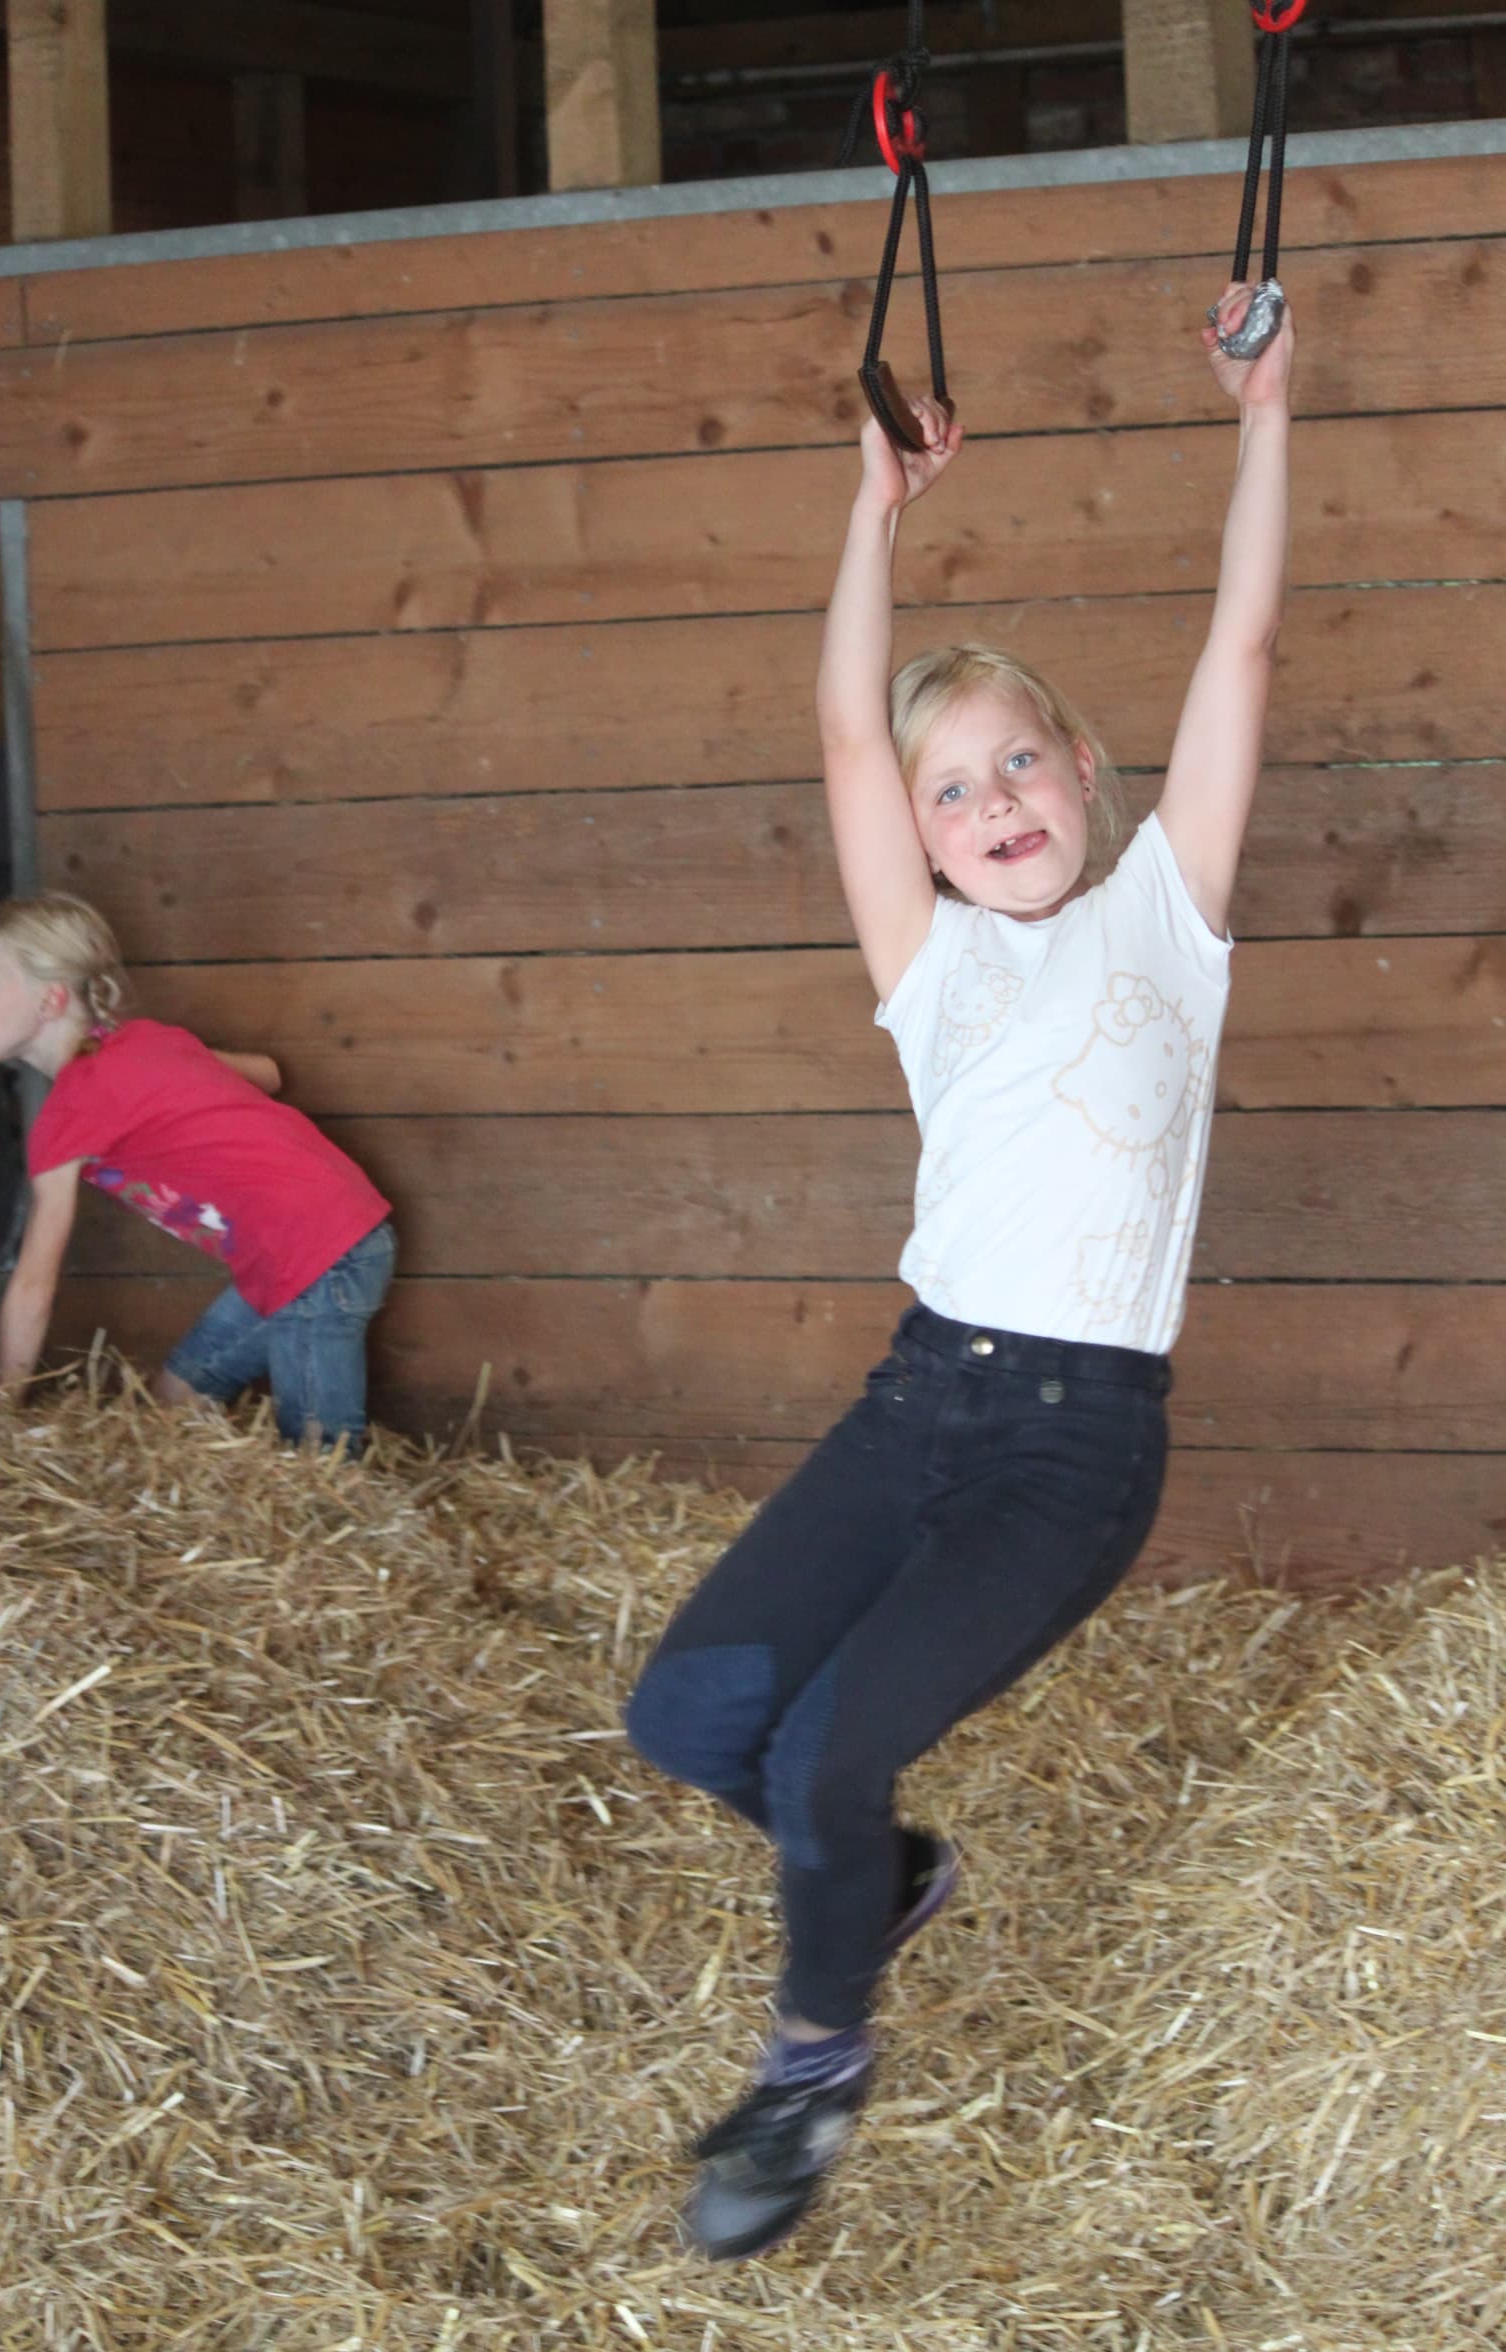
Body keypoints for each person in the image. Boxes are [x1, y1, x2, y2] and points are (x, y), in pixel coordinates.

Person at [624, 283, 1294, 2260]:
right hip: (918, 1402)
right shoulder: (931, 976)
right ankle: (878, 1872)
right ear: (916, 839)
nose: (990, 803)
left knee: (831, 1742)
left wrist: (1267, 421)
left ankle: (812, 2065)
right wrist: (870, 507)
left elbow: (1245, 642)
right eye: (951, 789)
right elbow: (840, 724)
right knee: (690, 1719)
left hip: (1066, 1450)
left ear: (1086, 770)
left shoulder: (1168, 920)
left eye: (1016, 764)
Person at [0, 892, 395, 1450]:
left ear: (51, 1000)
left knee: (321, 1462)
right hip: (306, 1242)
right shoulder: (147, 1041)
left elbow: (34, 1286)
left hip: (317, 1252)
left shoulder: (71, 1113)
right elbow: (269, 1075)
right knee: (172, 1404)